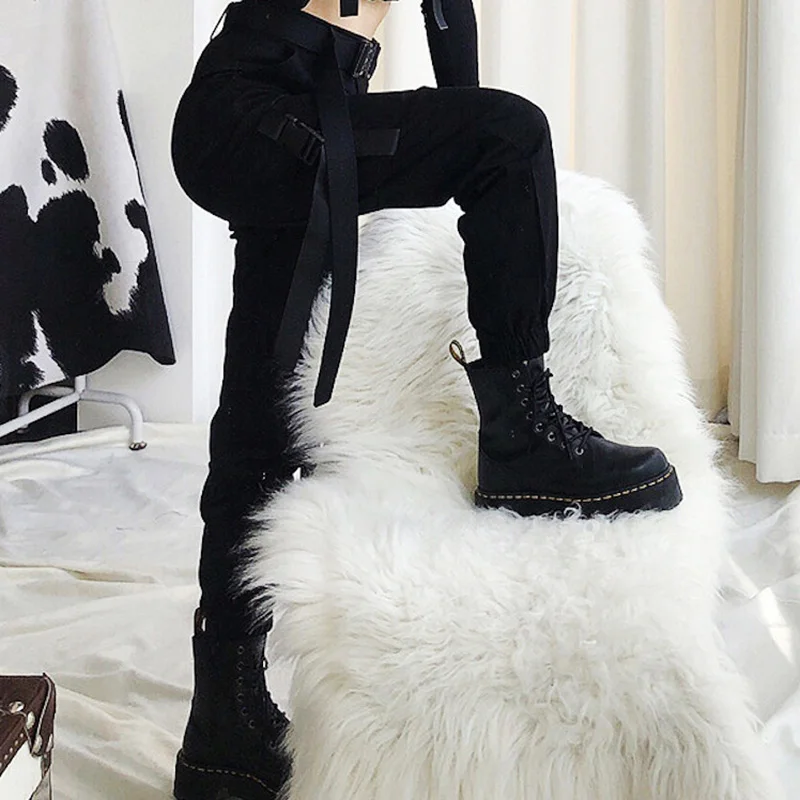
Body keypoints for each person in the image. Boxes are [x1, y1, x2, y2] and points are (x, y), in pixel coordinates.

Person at [169, 1, 683, 797]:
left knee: (258, 413)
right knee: (510, 134)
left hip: (293, 99)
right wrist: (473, 149)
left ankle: (221, 725)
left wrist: (472, 163)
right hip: (257, 107)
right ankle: (520, 434)